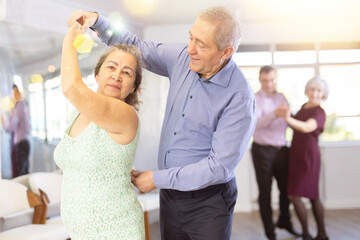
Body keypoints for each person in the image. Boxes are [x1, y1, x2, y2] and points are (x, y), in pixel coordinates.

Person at [67, 6, 256, 240]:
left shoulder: (239, 98)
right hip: (171, 196)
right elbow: (135, 45)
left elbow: (218, 168)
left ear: (225, 52)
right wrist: (97, 21)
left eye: (201, 45)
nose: (190, 49)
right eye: (190, 37)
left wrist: (156, 178)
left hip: (208, 203)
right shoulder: (182, 59)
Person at [53, 22, 145, 239]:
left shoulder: (126, 115)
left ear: (132, 87)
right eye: (111, 67)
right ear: (97, 75)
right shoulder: (76, 114)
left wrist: (69, 40)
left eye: (126, 72)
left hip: (117, 231)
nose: (117, 75)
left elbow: (71, 87)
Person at [251, 66, 300, 240]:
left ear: (275, 79)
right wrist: (274, 114)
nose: (269, 83)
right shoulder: (255, 99)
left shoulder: (281, 97)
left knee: (287, 189)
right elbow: (254, 124)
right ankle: (270, 232)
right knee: (265, 192)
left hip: (282, 150)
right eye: (265, 80)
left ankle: (285, 221)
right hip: (262, 151)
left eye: (272, 80)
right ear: (260, 80)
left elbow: (287, 120)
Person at [279, 77, 330, 240]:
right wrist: (286, 114)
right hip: (296, 154)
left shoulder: (319, 112)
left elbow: (307, 127)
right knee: (304, 195)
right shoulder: (304, 107)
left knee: (302, 195)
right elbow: (297, 122)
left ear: (323, 94)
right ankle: (316, 233)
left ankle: (313, 234)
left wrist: (287, 118)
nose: (315, 93)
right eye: (312, 89)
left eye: (319, 91)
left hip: (309, 156)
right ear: (307, 90)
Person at [1, 84, 31, 178]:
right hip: (25, 142)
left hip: (20, 144)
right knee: (24, 171)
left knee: (21, 174)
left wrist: (3, 122)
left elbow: (11, 127)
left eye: (14, 93)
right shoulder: (23, 106)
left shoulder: (19, 106)